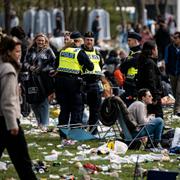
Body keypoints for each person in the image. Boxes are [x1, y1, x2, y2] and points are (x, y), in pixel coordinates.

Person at [0, 36, 37, 179]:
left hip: (3, 120)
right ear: (8, 52)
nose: (19, 54)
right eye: (16, 51)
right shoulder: (8, 69)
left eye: (20, 51)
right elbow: (7, 100)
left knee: (21, 160)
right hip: (8, 122)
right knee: (23, 161)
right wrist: (13, 124)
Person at [55, 31, 94, 138]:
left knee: (64, 109)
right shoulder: (79, 52)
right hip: (73, 83)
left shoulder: (62, 51)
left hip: (60, 82)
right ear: (78, 41)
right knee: (76, 107)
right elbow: (90, 66)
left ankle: (63, 135)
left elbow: (56, 65)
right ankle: (75, 134)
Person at [23, 33, 56, 130]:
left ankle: (44, 124)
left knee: (43, 101)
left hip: (44, 80)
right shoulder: (30, 50)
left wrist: (43, 69)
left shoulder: (49, 51)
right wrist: (31, 67)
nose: (40, 42)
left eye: (42, 40)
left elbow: (54, 64)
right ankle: (39, 122)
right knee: (33, 101)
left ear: (45, 41)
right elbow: (25, 62)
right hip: (32, 79)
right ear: (35, 41)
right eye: (39, 40)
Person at [81, 31, 104, 134]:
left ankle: (93, 131)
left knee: (95, 109)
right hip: (83, 82)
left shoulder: (97, 52)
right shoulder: (80, 51)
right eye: (87, 40)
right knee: (80, 107)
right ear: (84, 40)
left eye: (91, 40)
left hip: (95, 83)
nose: (89, 42)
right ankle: (80, 129)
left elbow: (101, 65)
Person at [137, 40, 164, 119]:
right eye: (156, 49)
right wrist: (154, 97)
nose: (157, 51)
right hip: (151, 96)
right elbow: (151, 81)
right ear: (153, 50)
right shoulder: (149, 63)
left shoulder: (144, 61)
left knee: (150, 116)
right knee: (158, 117)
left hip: (146, 95)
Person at [120, 31, 142, 106]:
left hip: (135, 85)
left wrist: (125, 63)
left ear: (135, 41)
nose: (128, 42)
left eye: (129, 40)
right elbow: (122, 68)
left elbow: (124, 65)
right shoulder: (131, 53)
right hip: (128, 84)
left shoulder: (139, 54)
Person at [165, 32, 180, 116]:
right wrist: (167, 72)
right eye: (174, 37)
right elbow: (166, 60)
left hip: (179, 72)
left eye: (176, 38)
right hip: (172, 72)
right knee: (174, 92)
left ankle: (177, 110)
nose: (174, 39)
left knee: (178, 91)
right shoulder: (169, 48)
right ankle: (177, 108)